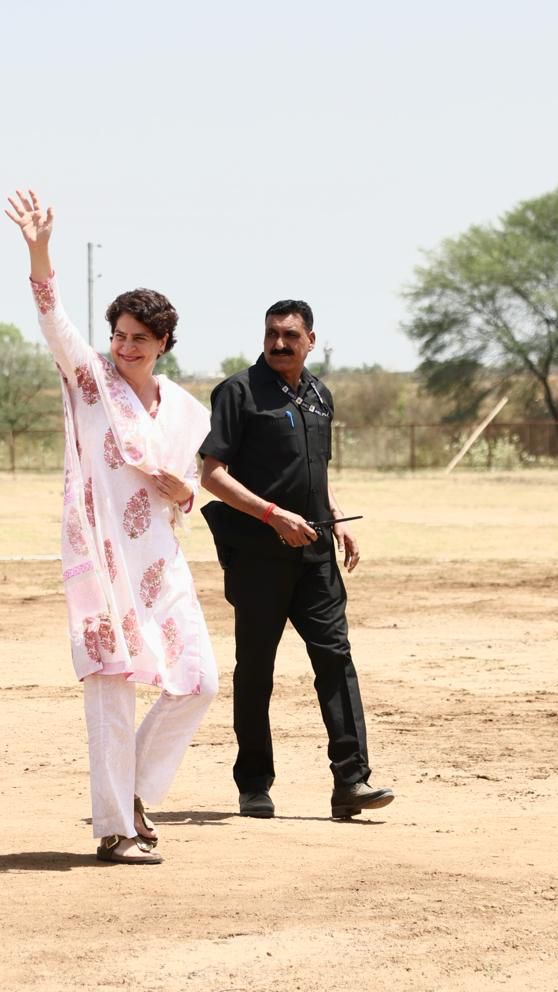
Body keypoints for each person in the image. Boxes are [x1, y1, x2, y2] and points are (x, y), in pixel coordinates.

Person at [6, 189, 218, 864]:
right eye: (118, 335)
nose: (124, 347)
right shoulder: (89, 377)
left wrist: (178, 486)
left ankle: (133, 794)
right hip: (100, 554)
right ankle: (115, 828)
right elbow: (51, 314)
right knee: (111, 687)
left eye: (139, 338)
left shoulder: (186, 410)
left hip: (158, 558)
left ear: (163, 344)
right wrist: (39, 247)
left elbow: (192, 490)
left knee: (200, 679)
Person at [199, 299, 394, 820]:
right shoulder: (238, 392)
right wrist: (273, 515)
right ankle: (253, 783)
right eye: (271, 334)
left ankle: (351, 782)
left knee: (336, 659)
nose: (279, 343)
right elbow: (212, 475)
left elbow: (312, 472)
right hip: (259, 555)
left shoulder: (319, 395)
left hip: (315, 554)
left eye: (290, 335)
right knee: (256, 669)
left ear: (311, 339)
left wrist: (333, 510)